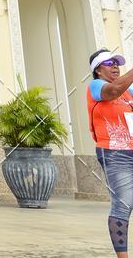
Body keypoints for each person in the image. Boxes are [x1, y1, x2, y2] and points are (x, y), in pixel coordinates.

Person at [88, 48, 133, 258]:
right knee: (124, 202)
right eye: (109, 63)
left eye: (117, 63)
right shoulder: (96, 86)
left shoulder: (128, 91)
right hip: (114, 152)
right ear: (98, 70)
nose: (115, 66)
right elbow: (113, 90)